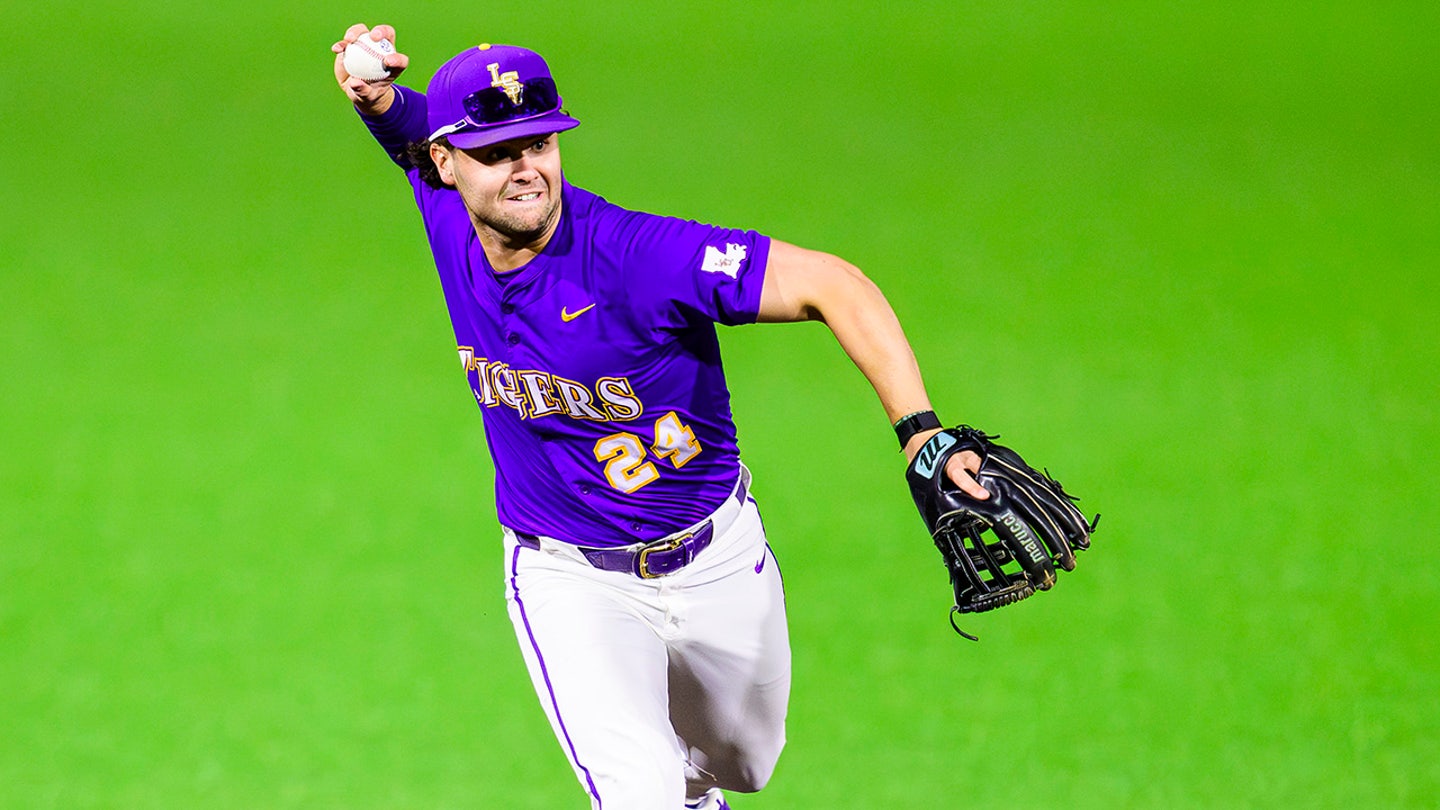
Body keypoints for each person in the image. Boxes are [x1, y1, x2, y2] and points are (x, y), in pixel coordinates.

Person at [331, 23, 988, 810]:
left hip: (717, 559)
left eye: (539, 143)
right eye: (498, 152)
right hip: (568, 578)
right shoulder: (444, 205)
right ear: (446, 164)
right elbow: (410, 128)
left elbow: (835, 285)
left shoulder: (639, 256)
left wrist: (920, 430)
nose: (526, 168)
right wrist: (375, 98)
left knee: (742, 768)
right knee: (640, 794)